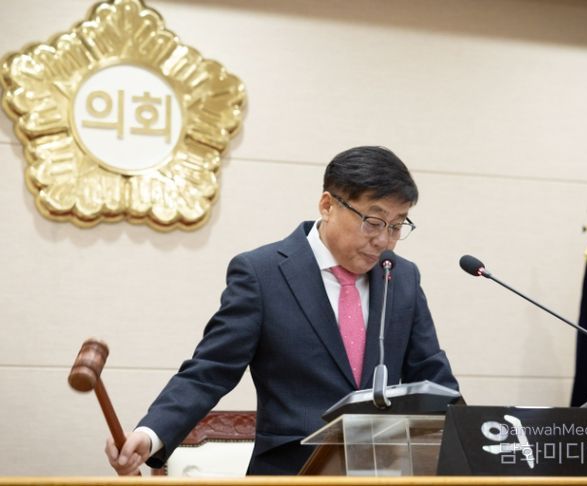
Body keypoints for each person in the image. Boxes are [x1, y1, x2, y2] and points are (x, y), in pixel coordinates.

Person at [105, 146, 459, 475]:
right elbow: (210, 371)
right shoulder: (262, 274)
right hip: (292, 473)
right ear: (327, 205)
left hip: (384, 473)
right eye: (373, 221)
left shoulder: (401, 277)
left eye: (397, 226)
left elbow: (432, 376)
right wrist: (150, 433)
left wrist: (475, 443)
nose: (383, 240)